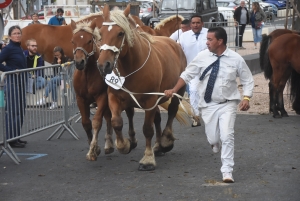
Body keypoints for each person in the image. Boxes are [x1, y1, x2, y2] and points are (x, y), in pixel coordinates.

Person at [164, 27, 254, 183]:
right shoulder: (202, 57)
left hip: (228, 103)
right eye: (207, 39)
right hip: (207, 105)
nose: (206, 42)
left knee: (227, 135)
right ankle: (214, 142)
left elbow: (247, 79)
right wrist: (173, 89)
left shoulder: (236, 59)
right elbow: (187, 75)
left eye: (210, 39)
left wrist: (246, 98)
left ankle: (227, 171)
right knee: (213, 138)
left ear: (220, 41)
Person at [178, 14, 208, 127]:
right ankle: (196, 116)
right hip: (192, 70)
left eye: (198, 23)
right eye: (193, 23)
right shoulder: (184, 36)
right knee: (194, 90)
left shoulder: (209, 33)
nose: (196, 25)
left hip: (208, 69)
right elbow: (178, 49)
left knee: (207, 93)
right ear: (190, 24)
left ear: (202, 24)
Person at [0, 25, 27, 148]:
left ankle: (16, 137)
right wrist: (10, 70)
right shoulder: (8, 48)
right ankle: (11, 139)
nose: (17, 35)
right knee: (12, 111)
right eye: (15, 33)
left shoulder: (19, 47)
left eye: (19, 33)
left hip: (21, 83)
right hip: (12, 83)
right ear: (10, 36)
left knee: (20, 111)